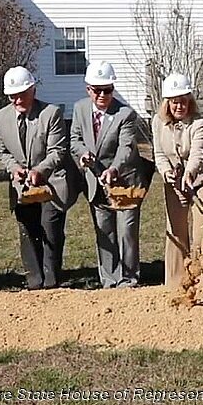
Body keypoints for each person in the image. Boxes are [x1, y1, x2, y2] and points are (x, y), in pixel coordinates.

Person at [0, 67, 77, 289]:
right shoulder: (0, 118)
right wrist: (14, 168)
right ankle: (34, 279)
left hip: (52, 183)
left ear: (33, 89)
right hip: (22, 185)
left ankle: (52, 278)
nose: (18, 99)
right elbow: (2, 151)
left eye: (22, 93)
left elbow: (58, 150)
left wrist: (40, 170)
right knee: (28, 229)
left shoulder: (50, 113)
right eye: (13, 95)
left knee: (50, 228)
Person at [70, 61, 147, 288]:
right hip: (95, 182)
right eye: (98, 90)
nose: (103, 95)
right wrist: (83, 154)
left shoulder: (125, 114)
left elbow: (126, 148)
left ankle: (129, 278)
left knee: (126, 233)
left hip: (125, 183)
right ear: (88, 90)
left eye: (108, 90)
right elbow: (75, 139)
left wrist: (114, 168)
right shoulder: (79, 109)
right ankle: (109, 279)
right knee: (104, 232)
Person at [152, 73, 203, 286]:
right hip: (174, 182)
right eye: (174, 102)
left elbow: (198, 153)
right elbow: (159, 154)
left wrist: (189, 174)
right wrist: (166, 172)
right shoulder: (157, 123)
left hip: (201, 180)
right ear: (167, 104)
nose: (179, 106)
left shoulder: (200, 123)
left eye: (183, 101)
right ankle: (175, 281)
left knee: (202, 231)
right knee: (175, 230)